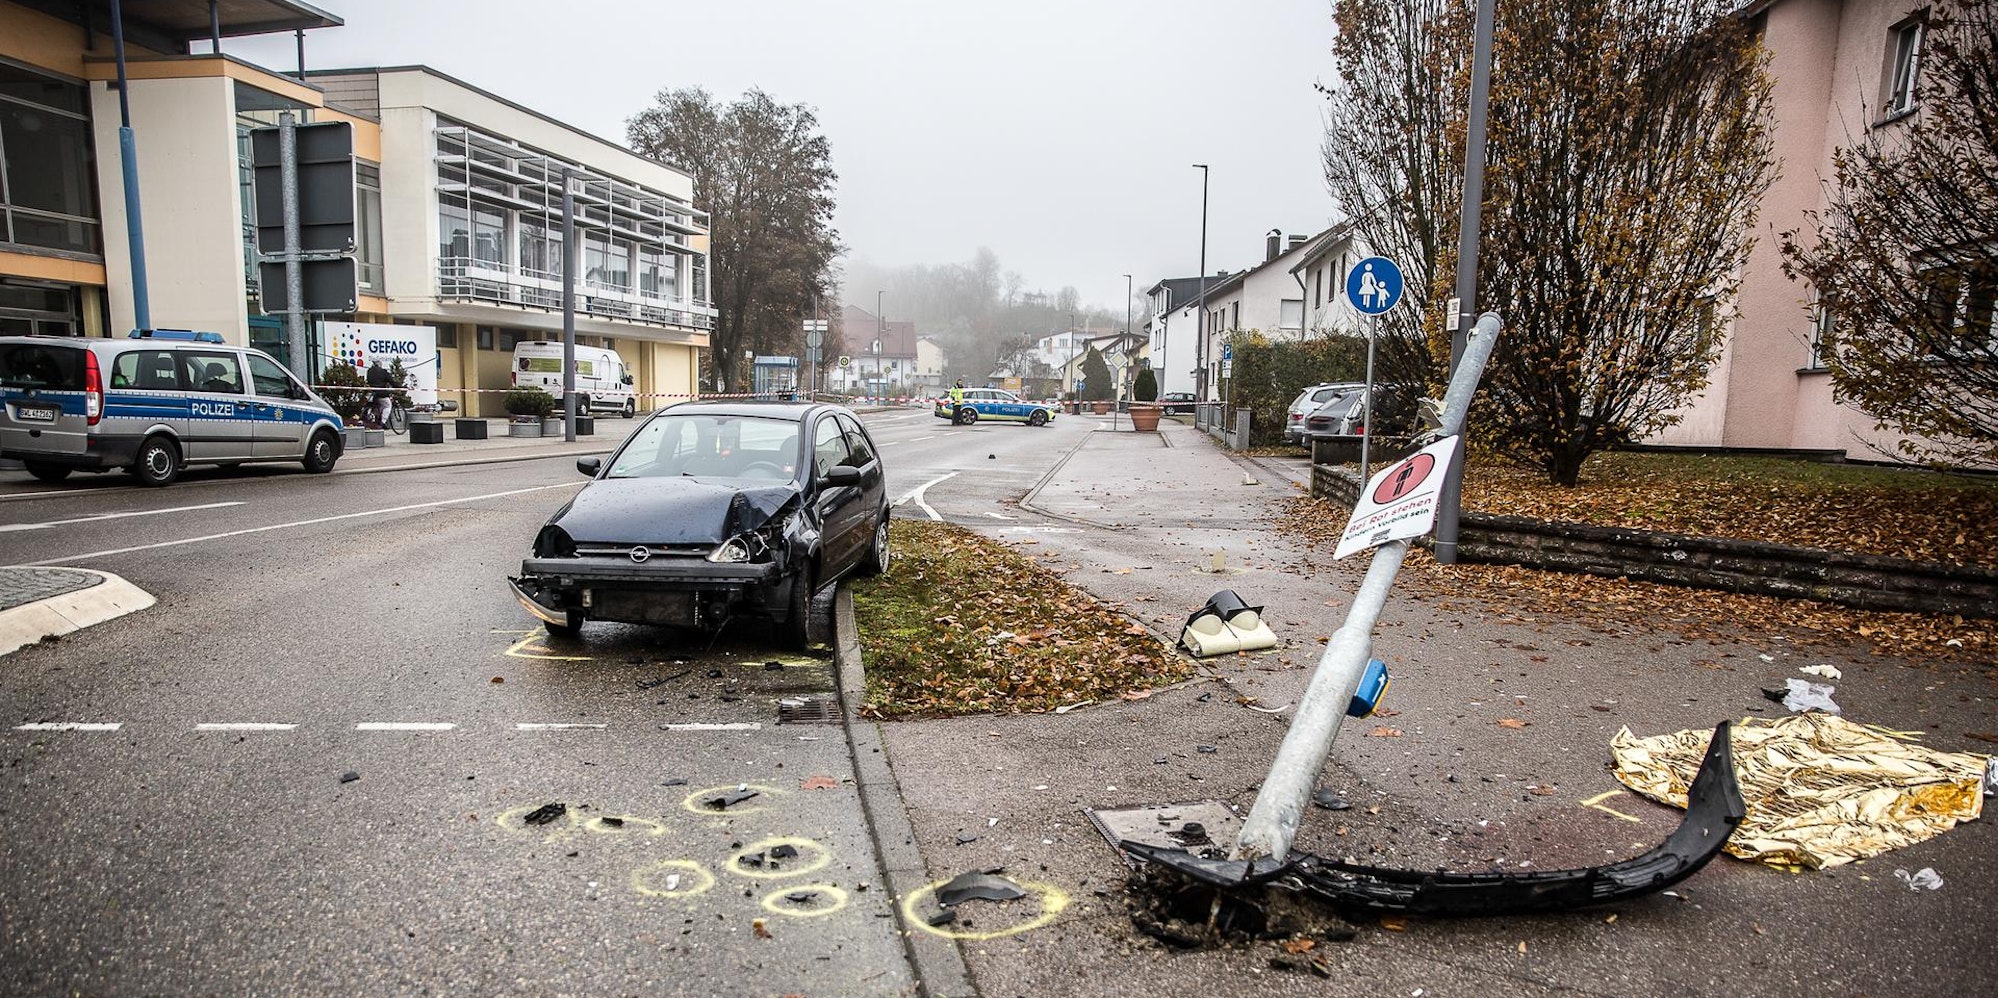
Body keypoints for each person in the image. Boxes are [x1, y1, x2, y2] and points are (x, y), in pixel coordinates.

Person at [366, 359, 394, 428]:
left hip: (372, 392)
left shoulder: (369, 371)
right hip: (381, 393)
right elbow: (391, 381)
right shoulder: (383, 372)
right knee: (388, 405)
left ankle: (378, 419)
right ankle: (382, 422)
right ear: (379, 364)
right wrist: (399, 387)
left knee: (380, 405)